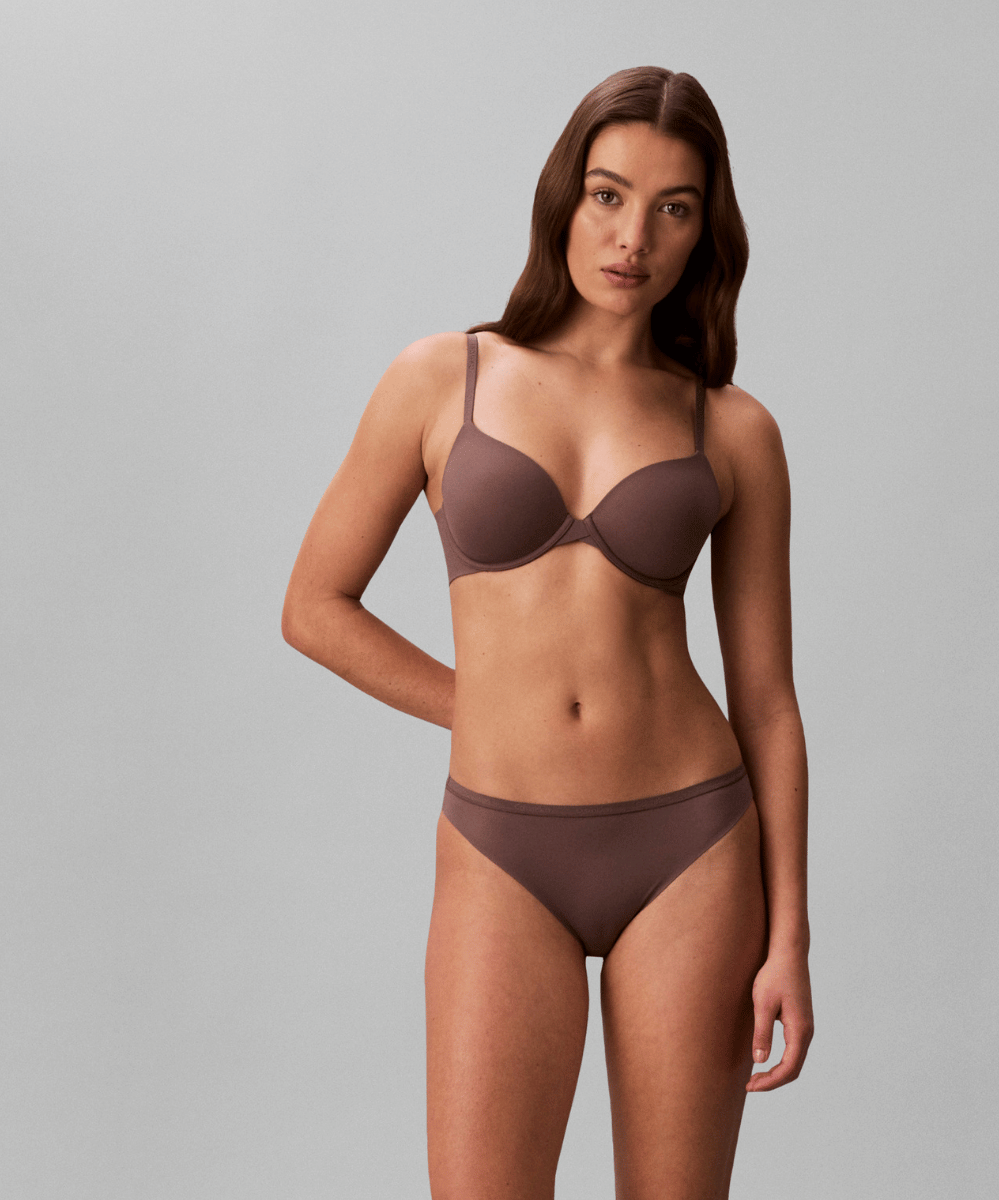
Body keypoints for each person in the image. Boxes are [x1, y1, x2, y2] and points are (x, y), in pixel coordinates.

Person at [282, 65, 812, 1199]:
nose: (633, 238)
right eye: (609, 195)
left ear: (705, 232)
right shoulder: (443, 377)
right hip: (500, 846)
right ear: (564, 197)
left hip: (694, 844)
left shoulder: (733, 429)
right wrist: (482, 707)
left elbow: (767, 702)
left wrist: (791, 940)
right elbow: (314, 606)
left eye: (673, 208)